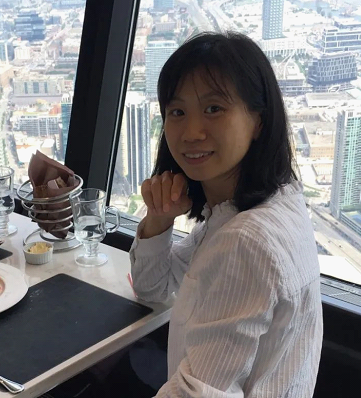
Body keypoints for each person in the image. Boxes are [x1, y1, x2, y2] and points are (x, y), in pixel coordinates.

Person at [130, 32, 323, 397]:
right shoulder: (261, 203)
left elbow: (197, 393)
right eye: (177, 112)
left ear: (258, 120)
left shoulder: (245, 240)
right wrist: (159, 218)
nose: (191, 132)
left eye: (214, 109)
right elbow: (152, 288)